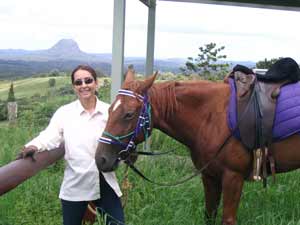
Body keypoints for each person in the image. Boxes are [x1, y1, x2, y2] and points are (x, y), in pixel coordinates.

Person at [18, 65, 125, 225]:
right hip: (76, 183)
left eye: (88, 80)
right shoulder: (64, 113)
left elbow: (120, 139)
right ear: (74, 87)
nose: (84, 85)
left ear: (96, 83)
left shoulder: (109, 112)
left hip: (105, 179)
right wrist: (34, 146)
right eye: (78, 82)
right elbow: (50, 135)